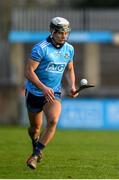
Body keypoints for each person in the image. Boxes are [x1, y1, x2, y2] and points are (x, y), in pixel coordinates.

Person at [25, 16, 78, 169]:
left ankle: (35, 155)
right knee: (35, 128)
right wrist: (42, 87)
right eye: (61, 33)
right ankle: (35, 142)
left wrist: (72, 86)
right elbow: (29, 72)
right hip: (35, 93)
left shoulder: (69, 49)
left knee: (53, 121)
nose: (64, 36)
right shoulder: (40, 48)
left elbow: (69, 69)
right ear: (53, 32)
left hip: (53, 93)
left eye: (66, 33)